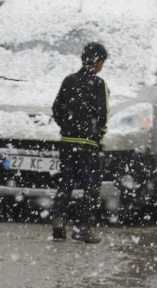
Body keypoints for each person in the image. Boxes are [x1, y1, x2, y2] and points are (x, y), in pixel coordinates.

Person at [50, 42, 109, 243]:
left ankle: (58, 221)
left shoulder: (68, 81)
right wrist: (96, 137)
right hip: (88, 145)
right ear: (99, 62)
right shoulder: (99, 85)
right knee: (91, 186)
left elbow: (56, 108)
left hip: (67, 143)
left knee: (66, 182)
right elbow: (103, 116)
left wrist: (67, 128)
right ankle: (82, 227)